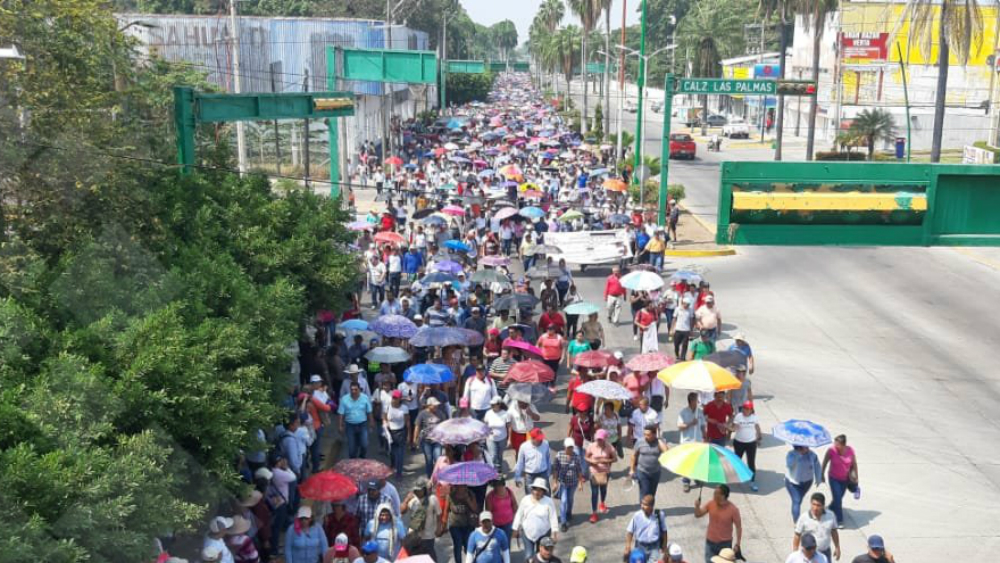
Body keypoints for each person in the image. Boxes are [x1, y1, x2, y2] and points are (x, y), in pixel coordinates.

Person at [512, 478, 560, 559]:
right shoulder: (525, 500)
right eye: (535, 489)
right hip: (527, 533)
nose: (537, 492)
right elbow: (519, 514)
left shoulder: (548, 501)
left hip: (543, 533)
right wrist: (515, 528)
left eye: (540, 490)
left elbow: (553, 517)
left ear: (543, 492)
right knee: (528, 556)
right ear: (532, 490)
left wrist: (554, 532)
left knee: (541, 556)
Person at [694, 485, 742, 563]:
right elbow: (698, 514)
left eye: (716, 493)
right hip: (710, 543)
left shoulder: (733, 510)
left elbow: (738, 527)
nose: (714, 495)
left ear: (723, 496)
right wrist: (697, 506)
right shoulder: (711, 504)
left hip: (725, 544)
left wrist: (738, 544)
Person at [400, 478, 442, 560]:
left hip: (428, 536)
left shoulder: (432, 499)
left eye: (419, 490)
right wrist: (406, 499)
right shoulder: (413, 499)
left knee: (430, 557)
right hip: (414, 535)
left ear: (424, 489)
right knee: (414, 557)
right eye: (416, 490)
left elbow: (439, 514)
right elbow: (402, 511)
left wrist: (439, 528)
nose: (417, 492)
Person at [822, 435, 858, 528]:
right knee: (838, 499)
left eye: (837, 444)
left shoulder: (850, 450)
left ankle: (830, 508)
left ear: (843, 445)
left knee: (838, 499)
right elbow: (825, 462)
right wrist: (821, 474)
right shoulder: (831, 451)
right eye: (835, 443)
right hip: (833, 478)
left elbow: (854, 464)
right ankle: (839, 520)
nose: (835, 445)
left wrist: (856, 477)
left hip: (845, 479)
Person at [551, 437, 586, 532]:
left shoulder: (576, 456)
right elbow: (555, 470)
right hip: (563, 483)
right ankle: (563, 522)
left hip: (573, 483)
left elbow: (579, 470)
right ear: (564, 447)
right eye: (568, 447)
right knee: (563, 501)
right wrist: (554, 482)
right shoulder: (559, 456)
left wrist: (580, 483)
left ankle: (569, 512)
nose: (570, 449)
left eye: (571, 447)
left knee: (570, 499)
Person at [794, 493, 840, 562]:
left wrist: (837, 547)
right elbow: (797, 535)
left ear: (823, 506)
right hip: (809, 553)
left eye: (818, 505)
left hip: (825, 551)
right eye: (813, 504)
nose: (815, 508)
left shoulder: (831, 515)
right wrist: (795, 552)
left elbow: (834, 531)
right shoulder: (804, 518)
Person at [624, 494, 669, 563]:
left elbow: (664, 531)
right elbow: (630, 531)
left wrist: (664, 545)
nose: (642, 506)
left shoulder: (659, 515)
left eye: (645, 505)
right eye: (642, 503)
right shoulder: (637, 516)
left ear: (651, 506)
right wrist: (628, 546)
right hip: (640, 546)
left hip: (654, 547)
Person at [630, 425, 668, 502]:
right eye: (644, 434)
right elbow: (633, 456)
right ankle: (644, 510)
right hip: (642, 472)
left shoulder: (660, 442)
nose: (645, 436)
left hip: (655, 472)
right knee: (644, 493)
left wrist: (659, 439)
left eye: (648, 435)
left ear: (654, 434)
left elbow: (667, 452)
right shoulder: (640, 442)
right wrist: (632, 469)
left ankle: (650, 510)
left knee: (652, 494)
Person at [677, 392, 706, 493]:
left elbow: (703, 425)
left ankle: (696, 477)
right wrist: (690, 423)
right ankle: (686, 481)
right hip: (687, 441)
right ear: (691, 401)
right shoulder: (683, 412)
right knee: (688, 462)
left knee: (697, 461)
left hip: (698, 440)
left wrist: (705, 436)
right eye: (696, 400)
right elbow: (680, 426)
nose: (698, 402)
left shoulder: (700, 412)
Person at [785, 445, 823, 523]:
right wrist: (799, 455)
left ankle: (795, 513)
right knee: (797, 501)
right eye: (805, 447)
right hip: (793, 483)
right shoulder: (791, 454)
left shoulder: (812, 455)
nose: (808, 449)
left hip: (807, 482)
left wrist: (818, 478)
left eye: (807, 447)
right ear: (799, 448)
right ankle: (797, 523)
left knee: (799, 500)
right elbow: (789, 465)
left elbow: (817, 466)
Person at [730, 401, 761, 492]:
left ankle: (752, 481)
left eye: (747, 409)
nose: (745, 410)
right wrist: (729, 428)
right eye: (744, 408)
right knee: (737, 461)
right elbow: (734, 428)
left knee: (751, 463)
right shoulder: (739, 416)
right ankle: (737, 478)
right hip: (739, 442)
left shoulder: (754, 417)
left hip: (751, 443)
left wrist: (759, 437)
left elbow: (757, 427)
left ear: (751, 410)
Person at [339, 381, 375, 459]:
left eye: (355, 389)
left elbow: (369, 411)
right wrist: (340, 425)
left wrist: (371, 422)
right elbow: (341, 413)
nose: (353, 391)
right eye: (352, 389)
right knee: (352, 448)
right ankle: (353, 463)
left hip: (362, 424)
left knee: (364, 445)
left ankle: (362, 459)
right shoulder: (344, 399)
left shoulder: (365, 398)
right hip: (350, 425)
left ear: (359, 389)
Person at [446, 485, 480, 563]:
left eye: (463, 485)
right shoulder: (451, 495)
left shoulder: (470, 494)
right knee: (457, 545)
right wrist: (443, 525)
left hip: (468, 525)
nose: (461, 487)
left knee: (468, 546)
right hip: (455, 525)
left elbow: (475, 509)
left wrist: (467, 499)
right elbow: (446, 510)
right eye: (459, 485)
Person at [413, 397, 446, 477]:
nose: (436, 407)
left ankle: (438, 476)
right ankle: (430, 476)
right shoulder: (422, 414)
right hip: (426, 441)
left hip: (437, 440)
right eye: (434, 405)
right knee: (429, 460)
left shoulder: (440, 413)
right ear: (429, 405)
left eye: (437, 405)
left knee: (438, 459)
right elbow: (417, 426)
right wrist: (415, 438)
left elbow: (445, 425)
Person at [514, 428, 552, 494]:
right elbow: (520, 463)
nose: (541, 440)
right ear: (532, 438)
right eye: (538, 439)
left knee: (546, 495)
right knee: (530, 496)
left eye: (541, 438)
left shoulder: (545, 444)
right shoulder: (524, 447)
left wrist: (548, 473)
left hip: (543, 473)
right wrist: (517, 477)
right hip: (529, 476)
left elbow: (548, 458)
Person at [383, 389, 410, 476]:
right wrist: (386, 423)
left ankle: (399, 472)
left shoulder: (404, 408)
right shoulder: (388, 406)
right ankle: (393, 465)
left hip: (401, 432)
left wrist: (409, 435)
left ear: (400, 399)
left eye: (396, 398)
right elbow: (384, 417)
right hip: (390, 432)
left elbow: (407, 422)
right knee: (392, 452)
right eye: (393, 397)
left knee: (400, 454)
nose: (394, 399)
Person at [485, 478, 519, 542]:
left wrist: (516, 523)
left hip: (508, 523)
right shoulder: (490, 496)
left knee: (506, 544)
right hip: (495, 525)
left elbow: (515, 506)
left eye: (500, 485)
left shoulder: (509, 492)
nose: (499, 487)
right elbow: (488, 513)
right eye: (496, 485)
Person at [484, 396, 512, 471]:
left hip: (502, 439)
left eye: (494, 404)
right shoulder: (488, 413)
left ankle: (499, 470)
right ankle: (494, 472)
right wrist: (487, 431)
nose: (492, 406)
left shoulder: (506, 414)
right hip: (490, 438)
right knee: (493, 456)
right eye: (491, 405)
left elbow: (509, 427)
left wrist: (509, 439)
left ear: (499, 404)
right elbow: (485, 425)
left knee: (500, 456)